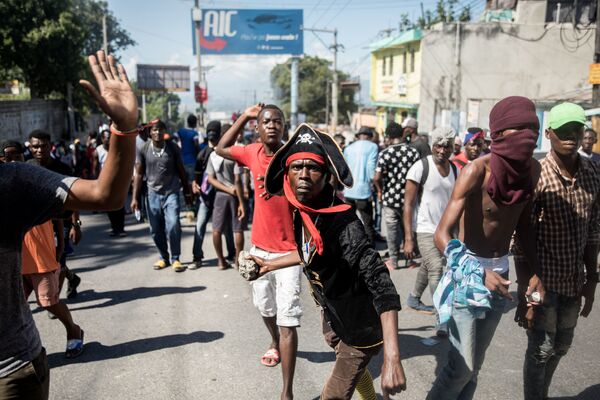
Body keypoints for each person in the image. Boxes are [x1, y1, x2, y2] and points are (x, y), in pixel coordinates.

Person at [0, 50, 138, 400]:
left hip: (10, 371)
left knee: (48, 301)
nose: (35, 149)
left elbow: (106, 195)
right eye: (31, 146)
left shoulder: (15, 180)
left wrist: (124, 129)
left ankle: (72, 328)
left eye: (38, 145)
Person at [258, 123, 407, 400]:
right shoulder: (306, 212)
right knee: (357, 373)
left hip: (360, 328)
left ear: (327, 176)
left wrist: (392, 358)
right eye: (296, 167)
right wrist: (268, 265)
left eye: (312, 167)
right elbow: (311, 250)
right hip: (334, 316)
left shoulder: (342, 222)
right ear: (286, 175)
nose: (303, 175)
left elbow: (383, 285)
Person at [428, 96, 545, 400]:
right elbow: (442, 234)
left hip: (502, 276)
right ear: (500, 133)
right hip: (467, 274)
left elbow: (524, 230)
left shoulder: (532, 171)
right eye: (519, 129)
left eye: (532, 128)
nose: (527, 136)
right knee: (460, 368)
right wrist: (478, 272)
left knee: (474, 369)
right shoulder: (476, 172)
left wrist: (533, 277)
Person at [216, 103, 302, 400]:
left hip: (290, 253)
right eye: (266, 122)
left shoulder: (294, 156)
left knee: (288, 318)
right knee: (265, 307)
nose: (272, 126)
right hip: (259, 251)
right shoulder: (251, 152)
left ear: (283, 126)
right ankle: (275, 342)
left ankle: (286, 392)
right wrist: (243, 116)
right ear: (258, 127)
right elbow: (221, 147)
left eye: (277, 121)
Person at [515, 103, 599, 400]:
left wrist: (592, 278)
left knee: (561, 346)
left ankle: (541, 393)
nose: (571, 136)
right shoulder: (537, 174)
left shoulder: (591, 173)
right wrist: (527, 293)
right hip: (543, 282)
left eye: (577, 129)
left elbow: (593, 230)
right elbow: (519, 240)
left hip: (573, 282)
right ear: (548, 134)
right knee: (540, 349)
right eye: (563, 130)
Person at [403, 127, 458, 334]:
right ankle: (442, 317)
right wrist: (408, 238)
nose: (442, 150)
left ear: (452, 148)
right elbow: (408, 204)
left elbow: (457, 204)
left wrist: (459, 235)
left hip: (445, 231)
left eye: (447, 146)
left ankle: (414, 298)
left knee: (428, 265)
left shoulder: (455, 170)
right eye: (438, 145)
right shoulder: (420, 167)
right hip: (425, 228)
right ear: (432, 146)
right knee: (436, 268)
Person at [28, 130, 83, 299]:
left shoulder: (62, 169)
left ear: (50, 146)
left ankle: (54, 299)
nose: (39, 150)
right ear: (30, 147)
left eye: (43, 146)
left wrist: (76, 225)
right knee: (46, 262)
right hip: (36, 225)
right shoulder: (27, 167)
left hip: (61, 222)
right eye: (35, 146)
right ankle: (72, 278)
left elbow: (74, 198)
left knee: (58, 260)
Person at [132, 119, 192, 272]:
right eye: (154, 130)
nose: (157, 132)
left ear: (164, 131)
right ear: (149, 132)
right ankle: (163, 257)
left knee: (173, 224)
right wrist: (134, 198)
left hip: (171, 193)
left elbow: (181, 171)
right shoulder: (143, 149)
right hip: (152, 194)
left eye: (160, 129)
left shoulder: (172, 148)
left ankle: (176, 258)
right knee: (155, 229)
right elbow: (138, 174)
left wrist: (187, 191)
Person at [22, 220, 85, 358]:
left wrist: (62, 242)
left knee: (49, 302)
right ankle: (20, 350)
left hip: (40, 256)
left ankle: (73, 330)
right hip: (11, 258)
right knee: (11, 307)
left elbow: (57, 214)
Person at [374, 122, 420, 269]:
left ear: (388, 136)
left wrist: (380, 190)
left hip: (390, 199)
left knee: (392, 231)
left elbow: (376, 177)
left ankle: (393, 261)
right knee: (408, 229)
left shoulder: (385, 153)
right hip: (409, 199)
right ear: (402, 134)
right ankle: (410, 260)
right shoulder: (413, 153)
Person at [191, 120, 233, 269]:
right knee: (200, 225)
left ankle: (232, 255)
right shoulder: (202, 153)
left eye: (214, 131)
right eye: (209, 130)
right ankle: (197, 256)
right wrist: (194, 184)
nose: (211, 133)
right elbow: (196, 174)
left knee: (227, 228)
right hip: (206, 198)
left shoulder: (225, 150)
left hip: (222, 196)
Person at [206, 139, 246, 269]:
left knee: (216, 229)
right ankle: (238, 261)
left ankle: (221, 261)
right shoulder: (234, 155)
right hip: (235, 195)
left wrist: (225, 189)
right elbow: (238, 180)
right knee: (238, 229)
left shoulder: (214, 155)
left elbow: (210, 179)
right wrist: (241, 202)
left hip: (220, 195)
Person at [343, 126, 378, 244]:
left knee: (349, 222)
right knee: (367, 222)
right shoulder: (373, 147)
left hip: (349, 190)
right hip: (364, 190)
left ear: (358, 136)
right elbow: (371, 167)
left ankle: (351, 245)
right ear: (369, 136)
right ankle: (370, 247)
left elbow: (345, 168)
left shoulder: (348, 148)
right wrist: (373, 183)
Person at [96, 128, 127, 236]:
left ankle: (121, 228)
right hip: (105, 181)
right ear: (102, 139)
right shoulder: (98, 151)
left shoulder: (118, 148)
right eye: (107, 138)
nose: (109, 140)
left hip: (118, 179)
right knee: (109, 205)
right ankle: (114, 228)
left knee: (119, 203)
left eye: (111, 138)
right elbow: (96, 167)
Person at [175, 114, 201, 181]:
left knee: (184, 179)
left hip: (182, 160)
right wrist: (199, 154)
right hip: (192, 160)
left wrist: (178, 146)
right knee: (192, 181)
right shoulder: (194, 134)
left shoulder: (181, 131)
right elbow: (196, 146)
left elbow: (174, 136)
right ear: (195, 123)